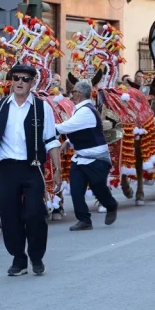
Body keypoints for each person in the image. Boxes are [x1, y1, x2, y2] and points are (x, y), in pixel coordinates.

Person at [0, 64, 61, 277]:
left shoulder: (42, 107)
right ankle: (18, 259)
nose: (20, 82)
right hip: (7, 168)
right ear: (11, 81)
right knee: (9, 216)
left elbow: (51, 140)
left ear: (32, 83)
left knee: (34, 213)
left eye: (25, 79)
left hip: (32, 167)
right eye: (16, 78)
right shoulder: (1, 105)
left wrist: (58, 169)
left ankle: (36, 256)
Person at [55, 80, 117, 231]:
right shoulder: (80, 109)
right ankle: (84, 220)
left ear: (80, 94)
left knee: (98, 187)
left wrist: (45, 127)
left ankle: (111, 205)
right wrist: (69, 142)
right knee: (76, 190)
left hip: (96, 158)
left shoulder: (85, 111)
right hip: (80, 158)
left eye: (74, 92)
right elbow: (81, 130)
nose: (71, 95)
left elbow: (67, 127)